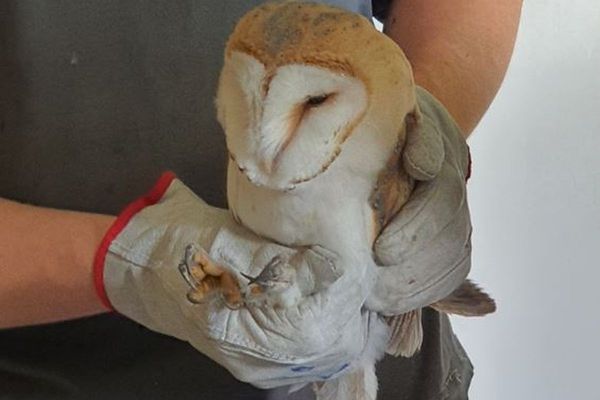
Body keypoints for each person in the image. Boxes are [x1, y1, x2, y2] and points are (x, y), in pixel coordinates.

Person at [0, 0, 522, 398]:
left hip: (391, 363)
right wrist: (130, 264)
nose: (267, 154)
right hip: (57, 371)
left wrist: (414, 124)